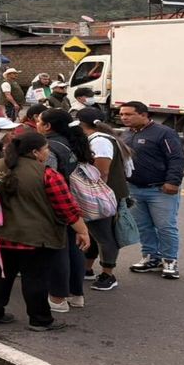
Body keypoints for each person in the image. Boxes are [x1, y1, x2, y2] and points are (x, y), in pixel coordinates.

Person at [0, 132, 91, 332]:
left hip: (0, 233)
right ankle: (40, 319)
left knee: (1, 272)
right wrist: (83, 231)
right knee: (35, 277)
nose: (47, 152)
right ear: (35, 152)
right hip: (34, 237)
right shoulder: (47, 174)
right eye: (46, 149)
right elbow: (67, 208)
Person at [119, 101, 184, 280]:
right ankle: (151, 257)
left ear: (143, 114)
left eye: (128, 114)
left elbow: (177, 159)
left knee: (165, 227)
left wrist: (173, 182)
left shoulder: (164, 133)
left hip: (160, 190)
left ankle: (169, 260)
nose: (124, 117)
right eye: (122, 114)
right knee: (143, 226)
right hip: (134, 189)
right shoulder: (125, 134)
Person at [36, 108, 92, 312]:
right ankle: (77, 294)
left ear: (48, 126)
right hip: (72, 202)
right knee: (74, 247)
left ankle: (58, 299)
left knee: (57, 251)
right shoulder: (73, 141)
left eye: (39, 121)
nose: (37, 124)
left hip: (56, 205)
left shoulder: (49, 148)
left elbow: (45, 179)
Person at [76, 108, 131, 292]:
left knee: (104, 236)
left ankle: (108, 273)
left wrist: (93, 194)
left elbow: (102, 172)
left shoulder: (99, 142)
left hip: (103, 196)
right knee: (92, 233)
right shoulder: (99, 138)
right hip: (103, 194)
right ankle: (87, 268)